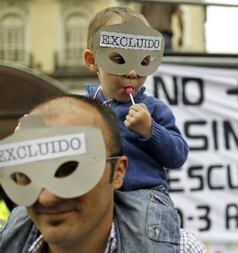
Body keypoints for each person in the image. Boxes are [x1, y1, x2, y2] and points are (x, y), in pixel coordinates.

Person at [0, 94, 207, 253]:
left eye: (71, 170)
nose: (46, 198)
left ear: (118, 172)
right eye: (29, 173)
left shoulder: (179, 248)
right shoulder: (9, 239)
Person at [82, 7, 188, 251]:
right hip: (92, 194)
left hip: (143, 196)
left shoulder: (153, 109)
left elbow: (178, 155)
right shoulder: (81, 108)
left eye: (142, 62)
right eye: (119, 60)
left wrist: (151, 130)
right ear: (93, 61)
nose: (132, 72)